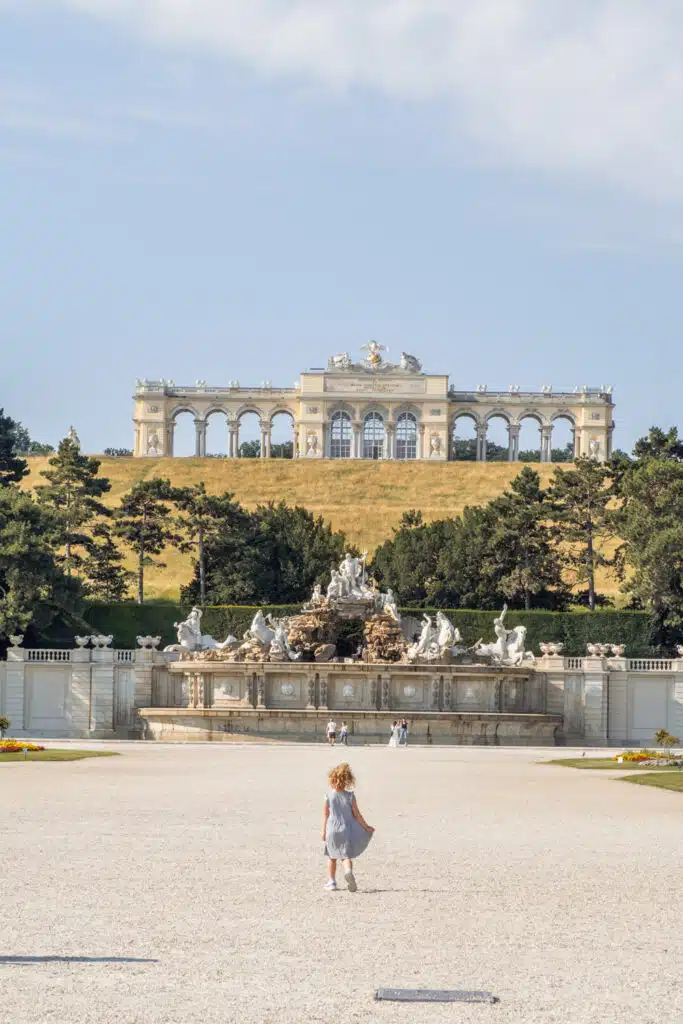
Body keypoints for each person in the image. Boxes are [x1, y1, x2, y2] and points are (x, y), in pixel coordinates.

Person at [321, 762, 375, 891]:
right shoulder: (350, 796)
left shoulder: (328, 795)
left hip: (332, 830)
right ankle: (348, 871)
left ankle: (332, 882)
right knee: (346, 855)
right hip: (346, 830)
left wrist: (323, 831)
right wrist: (367, 827)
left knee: (332, 856)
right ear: (347, 781)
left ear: (332, 779)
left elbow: (326, 815)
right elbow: (357, 815)